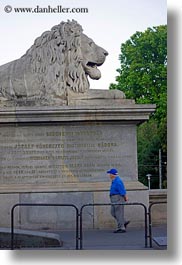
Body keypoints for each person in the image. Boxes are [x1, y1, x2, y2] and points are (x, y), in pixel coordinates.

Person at [107, 168, 130, 233]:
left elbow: (122, 190)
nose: (109, 175)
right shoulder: (114, 180)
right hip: (114, 198)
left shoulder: (118, 181)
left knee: (118, 213)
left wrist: (125, 197)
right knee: (113, 212)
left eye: (110, 174)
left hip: (118, 198)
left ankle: (121, 228)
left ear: (112, 174)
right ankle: (123, 222)